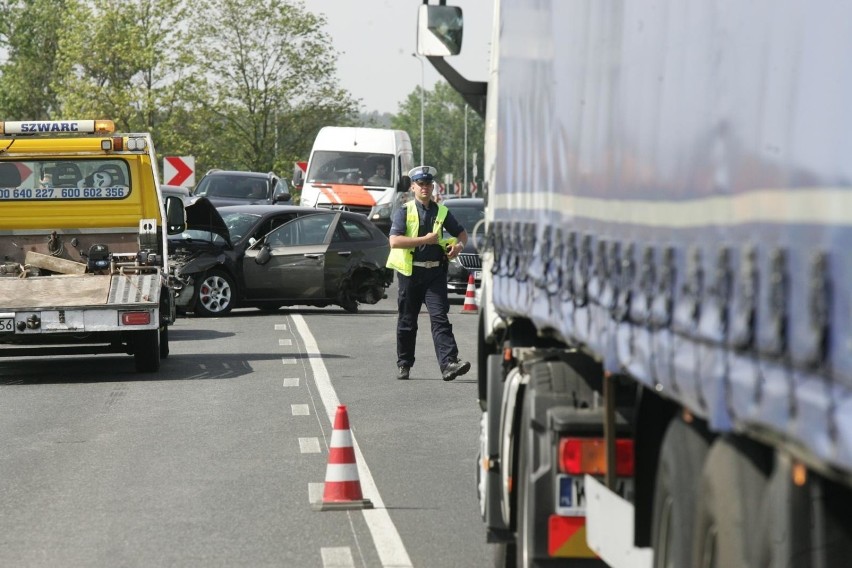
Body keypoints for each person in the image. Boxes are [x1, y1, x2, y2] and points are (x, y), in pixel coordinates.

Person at [386, 165, 471, 381]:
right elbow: (394, 241)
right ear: (413, 187)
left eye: (428, 184)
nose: (424, 188)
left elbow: (462, 234)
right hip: (410, 274)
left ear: (433, 187)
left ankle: (449, 363)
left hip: (435, 273)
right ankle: (404, 363)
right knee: (407, 321)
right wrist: (424, 240)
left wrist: (458, 247)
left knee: (440, 319)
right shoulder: (404, 210)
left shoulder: (441, 211)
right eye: (420, 184)